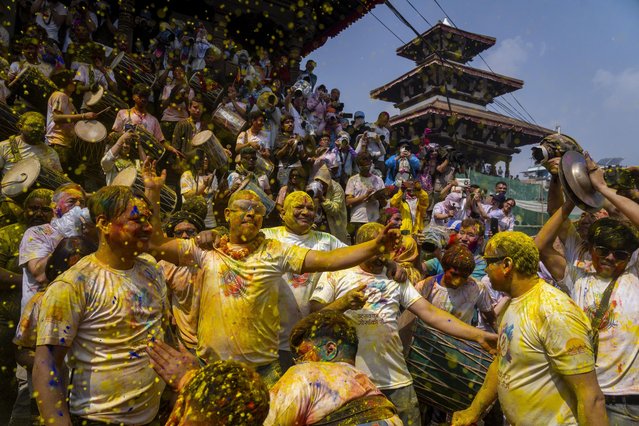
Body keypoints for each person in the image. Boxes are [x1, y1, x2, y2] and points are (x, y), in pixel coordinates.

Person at [145, 162, 402, 388]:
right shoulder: (207, 251)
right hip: (212, 365)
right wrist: (153, 194)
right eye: (244, 208)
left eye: (257, 210)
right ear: (227, 215)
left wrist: (376, 246)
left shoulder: (274, 250)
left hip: (264, 370)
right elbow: (157, 245)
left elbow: (329, 259)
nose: (250, 213)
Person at [310, 222, 497, 425]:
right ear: (363, 247)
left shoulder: (396, 279)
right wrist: (342, 303)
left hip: (396, 379)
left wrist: (478, 335)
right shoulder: (337, 274)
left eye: (386, 249)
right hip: (348, 379)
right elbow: (313, 316)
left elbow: (431, 313)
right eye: (377, 247)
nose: (382, 255)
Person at [33, 185, 167, 424]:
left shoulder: (151, 269)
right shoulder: (74, 284)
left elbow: (160, 334)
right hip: (98, 419)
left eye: (149, 220)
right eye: (137, 220)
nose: (148, 227)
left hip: (154, 415)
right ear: (104, 224)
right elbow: (46, 364)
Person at [451, 231, 607, 426]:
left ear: (506, 265)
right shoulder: (513, 303)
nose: (486, 270)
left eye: (489, 262)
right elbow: (502, 362)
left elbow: (591, 397)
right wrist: (473, 411)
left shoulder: (554, 311)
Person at [534, 154, 639, 424]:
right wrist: (572, 194)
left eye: (620, 255)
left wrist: (603, 188)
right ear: (589, 248)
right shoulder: (577, 272)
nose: (610, 259)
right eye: (603, 251)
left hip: (627, 401)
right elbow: (542, 246)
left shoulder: (634, 272)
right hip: (577, 393)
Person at [265, 310, 402, 425]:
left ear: (330, 350)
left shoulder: (306, 374)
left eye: (303, 356)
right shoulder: (371, 388)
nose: (300, 363)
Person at [0, 189, 53, 424]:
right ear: (24, 209)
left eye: (45, 209)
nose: (38, 213)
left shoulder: (55, 237)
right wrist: (27, 281)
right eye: (33, 207)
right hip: (5, 318)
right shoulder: (7, 235)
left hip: (40, 322)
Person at [112, 83, 182, 159]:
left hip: (144, 159)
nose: (143, 99)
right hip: (125, 156)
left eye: (146, 97)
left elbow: (161, 141)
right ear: (133, 97)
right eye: (140, 96)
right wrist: (125, 134)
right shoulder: (123, 113)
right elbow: (114, 134)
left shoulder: (153, 120)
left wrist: (172, 149)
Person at [47, 69, 98, 172]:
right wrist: (83, 116)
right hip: (58, 142)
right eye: (71, 80)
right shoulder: (60, 95)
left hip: (63, 142)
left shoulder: (65, 98)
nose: (74, 83)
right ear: (65, 83)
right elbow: (56, 118)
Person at [0, 111, 62, 176]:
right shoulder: (4, 147)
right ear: (20, 126)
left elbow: (59, 178)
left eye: (40, 127)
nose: (37, 129)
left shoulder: (50, 153)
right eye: (32, 125)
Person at [345, 152, 385, 238]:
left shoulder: (378, 180)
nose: (366, 169)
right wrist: (365, 196)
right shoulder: (353, 180)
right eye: (362, 167)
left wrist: (379, 197)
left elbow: (384, 204)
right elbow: (348, 202)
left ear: (371, 163)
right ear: (358, 166)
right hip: (358, 219)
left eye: (367, 166)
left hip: (374, 219)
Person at [312, 163, 349, 244]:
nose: (321, 185)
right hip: (318, 227)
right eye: (319, 182)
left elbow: (334, 210)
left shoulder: (336, 188)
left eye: (323, 183)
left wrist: (322, 198)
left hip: (334, 227)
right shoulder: (313, 188)